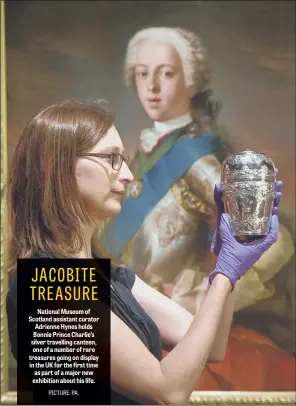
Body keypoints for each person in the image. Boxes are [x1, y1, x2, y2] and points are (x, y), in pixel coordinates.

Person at [5, 99, 284, 404]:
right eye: (111, 158)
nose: (126, 174)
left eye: (123, 159)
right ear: (55, 166)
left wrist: (228, 261)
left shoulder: (113, 277)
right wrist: (226, 273)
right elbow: (168, 391)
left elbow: (212, 346)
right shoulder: (50, 282)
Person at [108, 26, 294, 348]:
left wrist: (199, 297)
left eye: (166, 73)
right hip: (132, 319)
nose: (151, 86)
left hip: (175, 329)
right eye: (142, 73)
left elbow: (275, 240)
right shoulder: (137, 155)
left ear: (191, 80)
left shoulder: (198, 157)